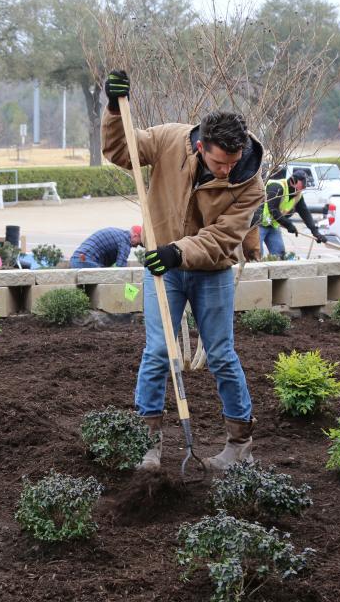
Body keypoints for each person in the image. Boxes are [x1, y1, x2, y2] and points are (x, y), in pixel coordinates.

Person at [102, 69, 265, 471]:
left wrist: (177, 251)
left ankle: (239, 445)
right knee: (158, 351)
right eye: (218, 161)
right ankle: (148, 444)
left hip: (212, 271)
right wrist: (111, 107)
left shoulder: (251, 185)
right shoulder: (169, 140)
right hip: (165, 271)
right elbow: (122, 150)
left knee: (222, 355)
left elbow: (225, 237)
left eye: (233, 161)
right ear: (199, 145)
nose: (226, 169)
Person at [258, 167, 327, 257]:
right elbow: (273, 210)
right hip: (258, 224)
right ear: (293, 181)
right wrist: (288, 225)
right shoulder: (277, 187)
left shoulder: (297, 195)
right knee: (256, 255)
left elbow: (305, 213)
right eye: (302, 185)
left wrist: (315, 232)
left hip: (272, 225)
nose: (303, 188)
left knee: (279, 254)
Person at [70, 226, 142, 268]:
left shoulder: (120, 234)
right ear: (135, 236)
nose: (136, 247)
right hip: (86, 261)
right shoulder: (125, 241)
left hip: (76, 259)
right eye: (138, 243)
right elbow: (120, 268)